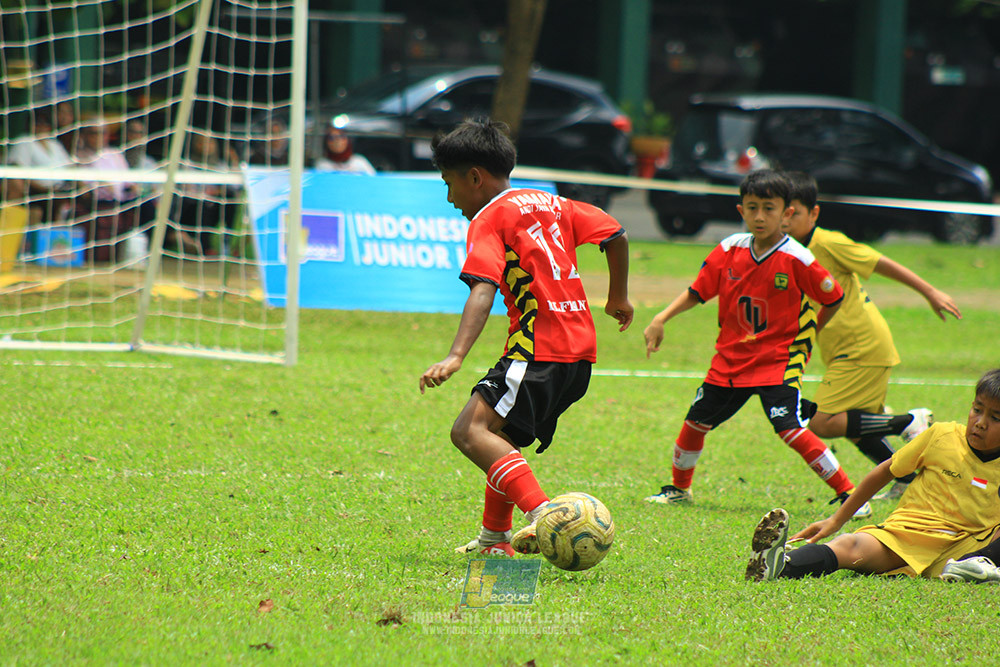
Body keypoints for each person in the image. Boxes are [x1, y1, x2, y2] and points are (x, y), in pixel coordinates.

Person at [418, 119, 633, 556]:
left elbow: (483, 287)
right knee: (503, 438)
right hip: (580, 355)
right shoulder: (553, 203)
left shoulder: (489, 217)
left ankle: (546, 516)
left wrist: (456, 355)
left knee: (469, 431)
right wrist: (617, 298)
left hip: (538, 351)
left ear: (474, 177)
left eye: (449, 183)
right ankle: (494, 539)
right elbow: (614, 233)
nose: (450, 198)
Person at [643, 169, 872, 518]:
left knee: (790, 429)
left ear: (787, 214)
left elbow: (833, 296)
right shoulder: (728, 250)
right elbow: (698, 291)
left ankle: (850, 495)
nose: (760, 216)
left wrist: (807, 336)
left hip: (778, 360)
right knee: (695, 423)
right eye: (752, 208)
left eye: (769, 208)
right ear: (741, 211)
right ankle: (678, 489)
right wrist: (661, 318)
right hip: (730, 360)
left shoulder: (798, 258)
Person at [782, 172, 962, 500]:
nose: (785, 220)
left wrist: (929, 291)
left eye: (793, 212)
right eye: (781, 212)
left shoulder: (829, 243)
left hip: (862, 346)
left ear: (814, 213)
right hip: (846, 350)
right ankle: (906, 478)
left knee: (822, 422)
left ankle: (908, 421)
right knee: (856, 426)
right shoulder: (787, 253)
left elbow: (882, 263)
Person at [746, 368, 1000, 583]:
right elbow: (885, 471)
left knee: (984, 552)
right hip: (908, 535)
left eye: (995, 417)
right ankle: (779, 566)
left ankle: (974, 565)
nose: (980, 422)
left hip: (968, 547)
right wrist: (837, 520)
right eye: (977, 409)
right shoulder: (941, 436)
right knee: (849, 545)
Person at [73, 118, 138, 262]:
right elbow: (82, 185)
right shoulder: (79, 156)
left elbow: (129, 180)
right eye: (94, 133)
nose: (98, 137)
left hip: (122, 199)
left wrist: (134, 188)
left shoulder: (115, 154)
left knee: (148, 206)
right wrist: (102, 185)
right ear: (85, 135)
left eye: (102, 133)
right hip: (97, 200)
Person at [6, 107, 74, 225]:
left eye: (46, 123)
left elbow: (70, 167)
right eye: (38, 123)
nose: (42, 126)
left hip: (59, 190)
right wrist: (44, 189)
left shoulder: (54, 145)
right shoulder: (24, 142)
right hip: (34, 192)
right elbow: (18, 173)